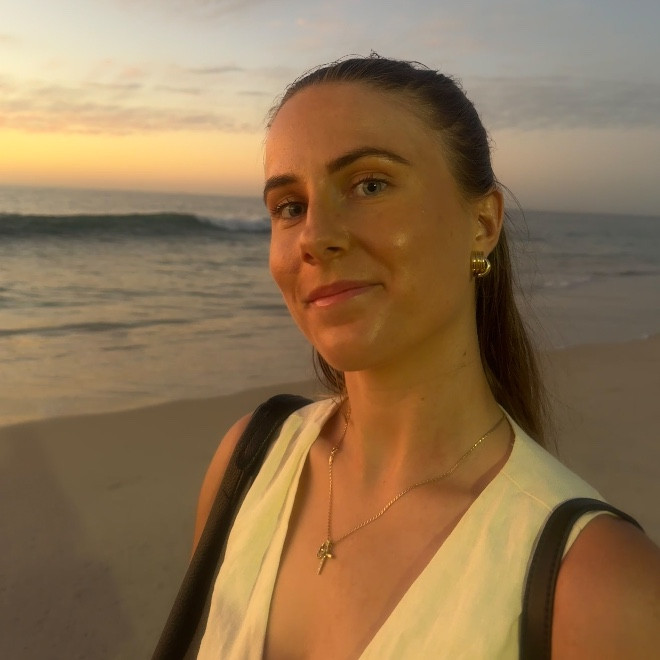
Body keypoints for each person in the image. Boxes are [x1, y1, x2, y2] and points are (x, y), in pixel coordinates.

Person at [192, 56, 660, 658]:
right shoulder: (250, 464)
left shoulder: (602, 587)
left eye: (369, 184)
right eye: (289, 207)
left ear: (482, 223)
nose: (314, 236)